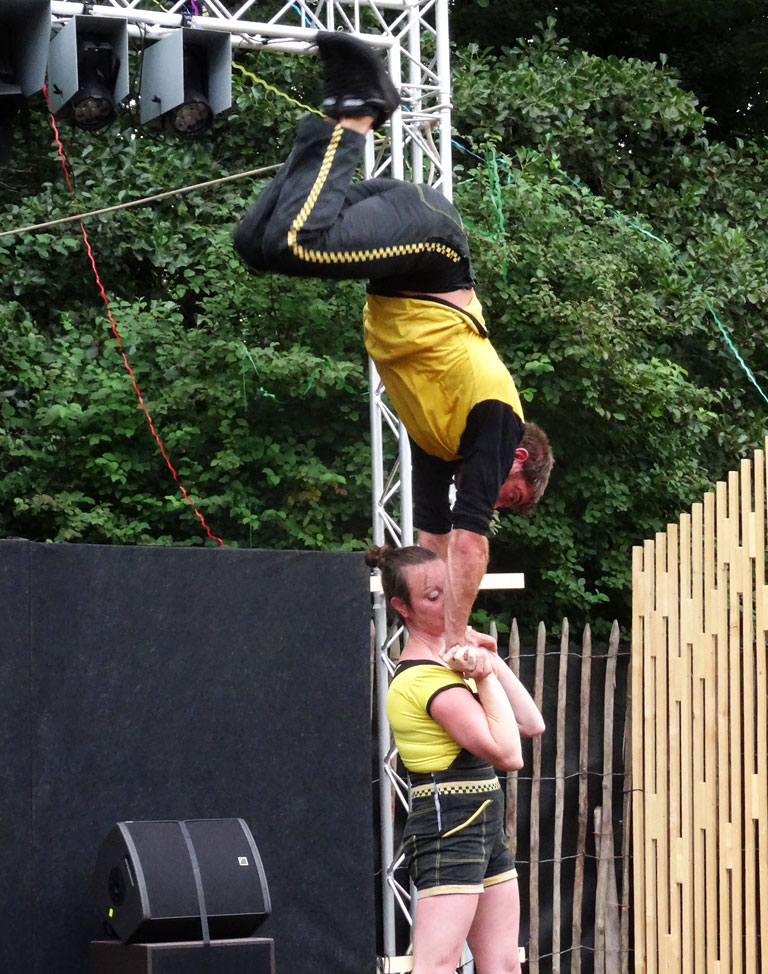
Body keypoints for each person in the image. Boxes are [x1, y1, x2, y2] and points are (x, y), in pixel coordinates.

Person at [234, 32, 553, 647]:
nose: (496, 504)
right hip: (432, 248)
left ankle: (338, 111)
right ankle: (360, 109)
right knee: (298, 244)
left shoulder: (441, 440)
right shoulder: (497, 421)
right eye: (510, 498)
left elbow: (432, 544)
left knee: (259, 244)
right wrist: (454, 639)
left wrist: (430, 634)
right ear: (519, 461)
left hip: (405, 243)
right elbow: (470, 546)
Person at [365, 543, 544, 974]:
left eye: (451, 589)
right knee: (438, 964)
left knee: (504, 964)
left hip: (484, 824)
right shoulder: (422, 681)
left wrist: (490, 660)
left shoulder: (450, 666)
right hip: (449, 826)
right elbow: (509, 754)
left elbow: (531, 722)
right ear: (402, 607)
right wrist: (483, 676)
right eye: (433, 596)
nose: (449, 604)